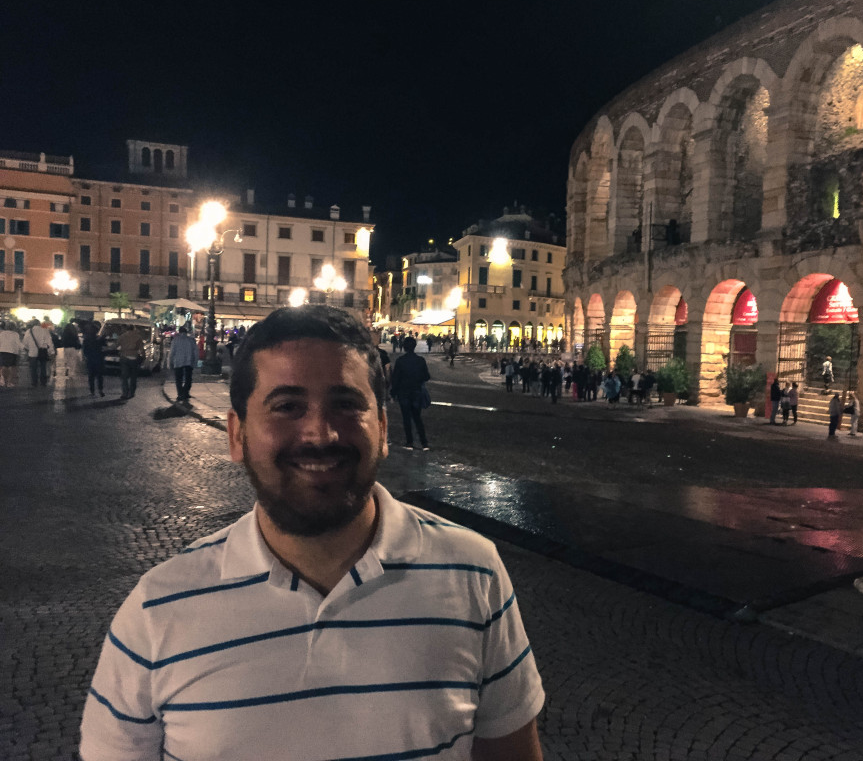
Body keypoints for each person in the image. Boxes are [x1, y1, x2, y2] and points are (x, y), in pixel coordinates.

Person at [80, 305, 544, 761]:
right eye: (287, 406)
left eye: (346, 405)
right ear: (236, 435)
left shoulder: (474, 573)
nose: (320, 433)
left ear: (382, 428)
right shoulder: (156, 610)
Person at [391, 335, 431, 450]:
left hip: (403, 393)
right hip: (417, 392)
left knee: (406, 418)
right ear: (414, 346)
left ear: (404, 347)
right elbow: (426, 376)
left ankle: (409, 443)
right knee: (417, 417)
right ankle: (424, 443)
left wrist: (393, 393)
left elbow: (396, 379)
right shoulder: (420, 360)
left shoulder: (400, 361)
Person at [169, 326, 199, 403]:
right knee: (188, 378)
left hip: (178, 362)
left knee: (178, 379)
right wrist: (195, 362)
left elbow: (172, 353)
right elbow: (196, 352)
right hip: (189, 362)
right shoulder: (191, 340)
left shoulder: (175, 340)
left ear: (179, 332)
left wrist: (170, 362)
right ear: (186, 332)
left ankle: (180, 394)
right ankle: (185, 392)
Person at [22, 317, 54, 387]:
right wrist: (51, 351)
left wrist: (28, 349)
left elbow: (25, 343)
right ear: (39, 324)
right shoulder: (45, 330)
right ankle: (43, 382)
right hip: (43, 351)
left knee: (33, 368)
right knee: (43, 367)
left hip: (32, 353)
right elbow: (49, 341)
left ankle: (34, 382)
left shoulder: (28, 331)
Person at [117, 325, 145, 400]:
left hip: (124, 357)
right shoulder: (138, 337)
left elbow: (117, 345)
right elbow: (141, 349)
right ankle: (132, 393)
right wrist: (143, 358)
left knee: (124, 377)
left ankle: (125, 393)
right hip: (134, 358)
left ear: (126, 329)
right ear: (134, 329)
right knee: (133, 377)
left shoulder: (122, 336)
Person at [81, 322, 106, 397]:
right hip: (99, 359)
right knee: (99, 376)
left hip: (90, 359)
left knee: (91, 377)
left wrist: (85, 357)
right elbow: (105, 348)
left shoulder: (87, 340)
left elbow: (84, 350)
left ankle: (92, 391)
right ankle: (100, 390)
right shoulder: (100, 339)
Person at [0, 321, 21, 387]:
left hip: (3, 351)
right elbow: (18, 344)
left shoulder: (2, 333)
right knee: (11, 367)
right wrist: (22, 349)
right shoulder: (15, 334)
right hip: (12, 352)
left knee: (3, 366)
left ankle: (4, 380)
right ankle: (9, 382)